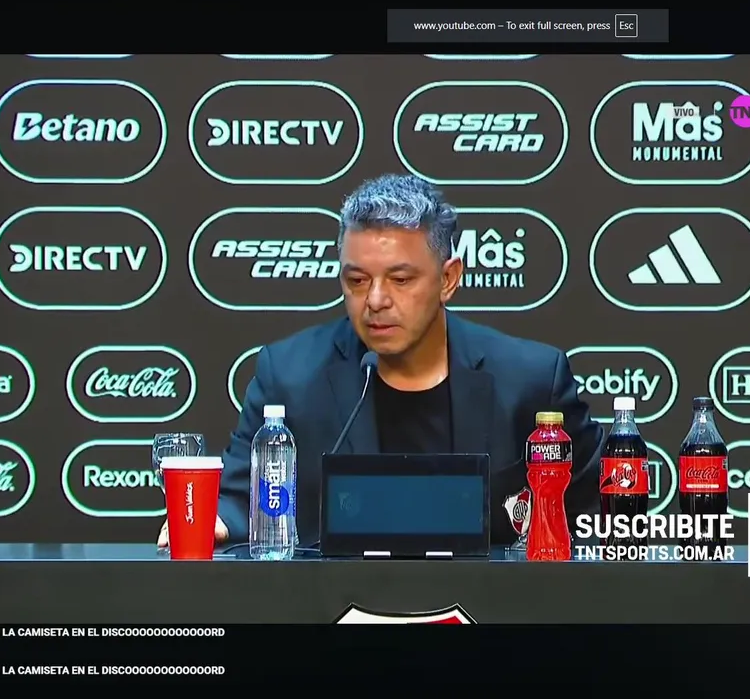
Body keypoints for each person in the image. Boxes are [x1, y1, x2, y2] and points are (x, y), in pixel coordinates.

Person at [157, 174, 603, 549]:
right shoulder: (290, 376)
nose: (374, 301)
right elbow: (238, 501)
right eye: (356, 280)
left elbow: (599, 513)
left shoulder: (528, 379)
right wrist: (213, 522)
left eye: (400, 280)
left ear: (448, 279)